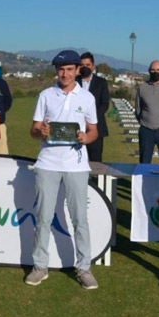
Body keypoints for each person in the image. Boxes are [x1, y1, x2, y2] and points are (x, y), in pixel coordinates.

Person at [25, 50, 99, 289]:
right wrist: (41, 131)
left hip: (76, 165)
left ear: (78, 70)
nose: (65, 74)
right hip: (47, 162)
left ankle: (84, 268)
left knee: (80, 219)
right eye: (61, 69)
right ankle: (40, 266)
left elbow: (94, 130)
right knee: (43, 217)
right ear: (56, 71)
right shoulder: (46, 95)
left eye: (70, 69)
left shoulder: (87, 98)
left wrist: (86, 137)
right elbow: (34, 129)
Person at [135, 60, 159, 164]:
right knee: (144, 162)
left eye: (158, 70)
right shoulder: (142, 88)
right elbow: (138, 109)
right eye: (152, 70)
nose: (155, 72)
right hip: (146, 130)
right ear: (149, 71)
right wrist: (145, 122)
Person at [75, 52, 110, 162]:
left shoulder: (101, 82)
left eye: (88, 65)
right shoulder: (73, 82)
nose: (85, 67)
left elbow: (104, 104)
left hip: (96, 128)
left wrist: (90, 119)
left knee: (96, 161)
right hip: (76, 128)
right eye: (82, 65)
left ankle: (95, 180)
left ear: (93, 66)